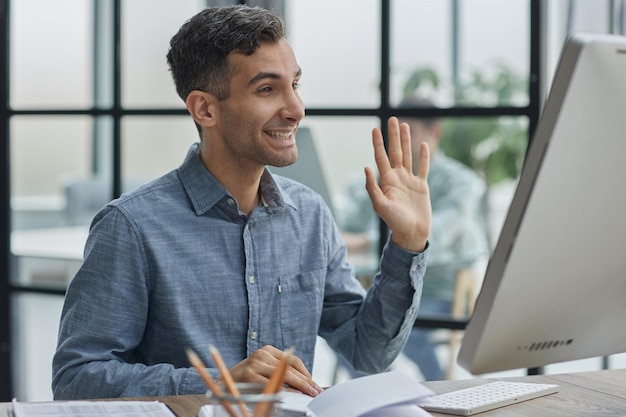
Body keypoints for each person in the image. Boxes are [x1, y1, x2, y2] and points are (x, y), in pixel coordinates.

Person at [51, 5, 432, 400]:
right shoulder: (130, 226)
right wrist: (219, 385)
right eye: (267, 89)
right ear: (205, 109)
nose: (295, 109)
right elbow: (76, 379)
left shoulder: (311, 216)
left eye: (295, 85)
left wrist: (408, 243)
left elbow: (367, 352)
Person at [339, 97, 489, 380]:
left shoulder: (462, 182)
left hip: (440, 291)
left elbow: (437, 234)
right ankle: (376, 390)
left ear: (435, 132)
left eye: (408, 133)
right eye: (391, 134)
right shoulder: (379, 180)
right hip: (380, 285)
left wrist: (367, 240)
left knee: (409, 331)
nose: (397, 143)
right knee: (342, 327)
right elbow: (346, 224)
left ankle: (436, 392)